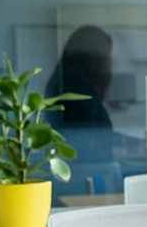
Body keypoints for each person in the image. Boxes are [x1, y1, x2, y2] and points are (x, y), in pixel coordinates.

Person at [46, 25, 115, 164]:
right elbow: (88, 146)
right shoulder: (81, 94)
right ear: (95, 59)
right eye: (108, 57)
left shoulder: (61, 83)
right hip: (84, 174)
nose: (110, 64)